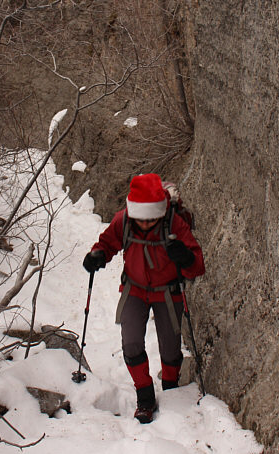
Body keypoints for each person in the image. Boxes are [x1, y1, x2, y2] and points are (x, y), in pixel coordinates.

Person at [83, 173, 205, 423]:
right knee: (131, 344)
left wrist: (185, 257)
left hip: (168, 292)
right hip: (135, 290)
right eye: (142, 218)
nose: (147, 224)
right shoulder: (124, 220)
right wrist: (97, 255)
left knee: (170, 349)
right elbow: (107, 243)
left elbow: (197, 266)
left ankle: (171, 388)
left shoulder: (174, 224)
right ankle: (145, 396)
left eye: (152, 219)